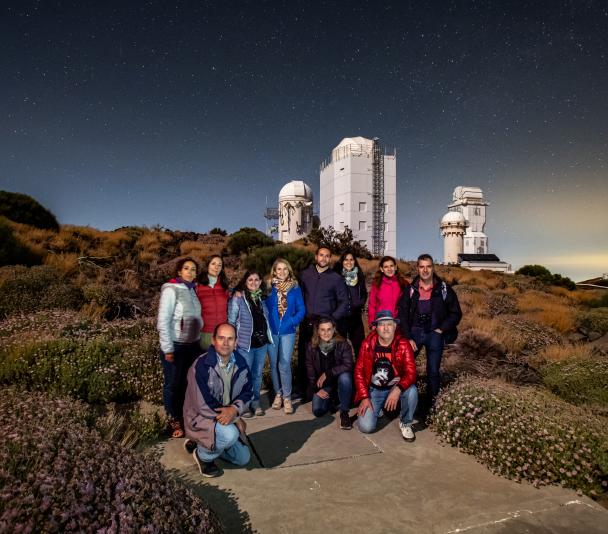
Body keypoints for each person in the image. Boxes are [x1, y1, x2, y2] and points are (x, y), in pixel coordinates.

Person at [183, 323, 252, 478]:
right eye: (221, 338)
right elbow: (203, 405)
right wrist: (234, 418)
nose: (225, 343)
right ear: (213, 341)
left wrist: (235, 410)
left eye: (230, 339)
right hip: (201, 418)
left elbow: (248, 392)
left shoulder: (241, 364)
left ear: (236, 342)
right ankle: (203, 456)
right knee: (230, 435)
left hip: (226, 416)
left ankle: (204, 444)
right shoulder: (200, 366)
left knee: (243, 458)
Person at [397, 253, 462, 405]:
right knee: (406, 368)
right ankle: (406, 402)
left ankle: (432, 405)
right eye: (422, 267)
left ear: (433, 268)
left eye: (428, 266)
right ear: (417, 269)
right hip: (414, 333)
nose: (425, 270)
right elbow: (403, 314)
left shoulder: (444, 289)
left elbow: (456, 313)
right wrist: (408, 336)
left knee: (433, 371)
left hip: (435, 334)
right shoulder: (411, 289)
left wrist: (442, 328)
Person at [354, 310, 418, 442]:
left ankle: (406, 423)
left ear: (395, 326)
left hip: (395, 387)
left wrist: (398, 389)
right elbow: (359, 372)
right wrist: (364, 397)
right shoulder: (367, 344)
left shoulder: (404, 345)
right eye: (381, 324)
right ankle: (379, 409)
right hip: (375, 390)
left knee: (412, 390)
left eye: (389, 324)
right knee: (366, 427)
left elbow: (411, 373)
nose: (386, 328)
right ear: (376, 327)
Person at [157, 257, 203, 439]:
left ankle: (185, 416)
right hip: (175, 345)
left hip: (192, 346)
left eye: (193, 269)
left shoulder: (193, 290)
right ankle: (173, 418)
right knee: (172, 385)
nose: (190, 272)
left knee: (187, 383)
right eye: (186, 268)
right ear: (179, 271)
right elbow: (163, 320)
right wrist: (168, 348)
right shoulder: (171, 289)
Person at [298, 246, 349, 393]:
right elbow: (298, 297)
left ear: (330, 258)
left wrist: (332, 320)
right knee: (305, 355)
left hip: (325, 325)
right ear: (316, 256)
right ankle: (305, 389)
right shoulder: (305, 275)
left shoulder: (336, 278)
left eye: (327, 256)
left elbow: (344, 302)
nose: (324, 258)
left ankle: (327, 390)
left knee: (325, 358)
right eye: (321, 255)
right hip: (307, 322)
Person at [228, 270, 273, 417]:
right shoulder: (238, 298)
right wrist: (233, 339)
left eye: (256, 280)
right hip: (245, 344)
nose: (254, 282)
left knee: (257, 375)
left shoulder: (262, 298)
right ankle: (244, 405)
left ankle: (255, 402)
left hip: (261, 344)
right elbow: (231, 321)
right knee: (244, 375)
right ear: (245, 282)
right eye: (250, 280)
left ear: (260, 282)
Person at [266, 258, 306, 414]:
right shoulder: (269, 288)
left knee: (284, 363)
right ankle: (278, 394)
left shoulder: (295, 288)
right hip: (272, 332)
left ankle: (287, 397)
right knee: (274, 364)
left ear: (289, 271)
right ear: (274, 271)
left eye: (285, 269)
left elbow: (302, 309)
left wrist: (292, 322)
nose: (282, 272)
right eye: (279, 269)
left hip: (288, 332)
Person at [305, 317, 354, 429]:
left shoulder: (343, 344)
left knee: (345, 376)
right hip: (325, 385)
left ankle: (344, 412)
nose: (326, 333)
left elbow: (348, 365)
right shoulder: (311, 347)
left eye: (329, 329)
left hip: (340, 382)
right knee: (318, 411)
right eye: (322, 330)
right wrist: (317, 390)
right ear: (317, 331)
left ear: (334, 329)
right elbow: (310, 370)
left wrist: (328, 373)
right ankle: (334, 399)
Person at [333, 249, 368, 358]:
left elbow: (364, 293)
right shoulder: (336, 277)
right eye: (346, 260)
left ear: (354, 261)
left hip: (355, 316)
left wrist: (359, 304)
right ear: (342, 262)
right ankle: (342, 373)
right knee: (339, 348)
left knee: (360, 347)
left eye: (351, 259)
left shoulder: (359, 276)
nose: (349, 262)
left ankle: (359, 373)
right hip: (340, 317)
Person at [196, 255, 230, 351]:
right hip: (204, 332)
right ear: (207, 265)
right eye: (213, 264)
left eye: (219, 265)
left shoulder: (224, 285)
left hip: (222, 332)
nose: (216, 267)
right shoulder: (197, 286)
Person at [367, 256, 408, 328]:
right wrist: (372, 323)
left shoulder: (402, 283)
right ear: (382, 269)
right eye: (386, 267)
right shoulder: (377, 284)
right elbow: (372, 305)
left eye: (391, 266)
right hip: (381, 322)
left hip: (397, 323)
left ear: (395, 267)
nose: (389, 269)